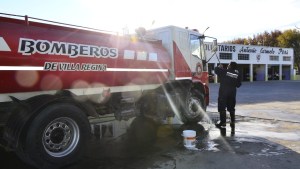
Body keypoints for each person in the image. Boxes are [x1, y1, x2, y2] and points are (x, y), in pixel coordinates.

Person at [214, 61, 242, 132]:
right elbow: (238, 85)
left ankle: (223, 122)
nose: (227, 66)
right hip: (232, 93)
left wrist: (219, 67)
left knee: (222, 107)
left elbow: (216, 70)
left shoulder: (224, 71)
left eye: (228, 65)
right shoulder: (237, 74)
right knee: (231, 107)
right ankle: (232, 122)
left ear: (230, 66)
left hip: (223, 92)